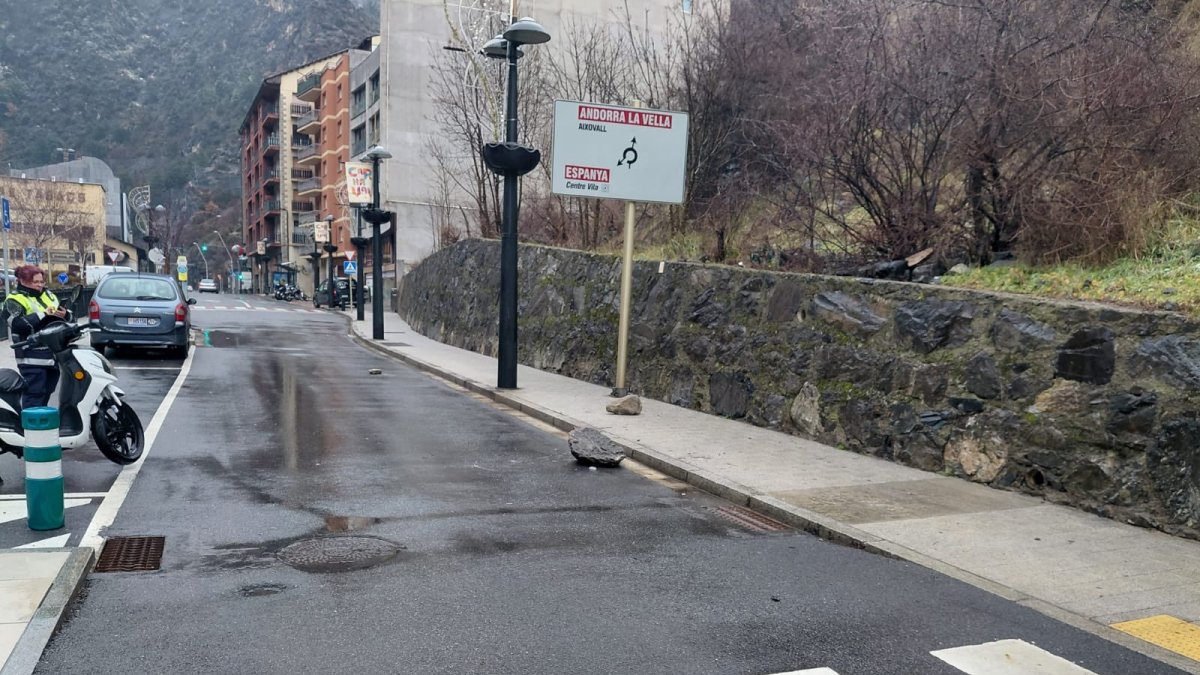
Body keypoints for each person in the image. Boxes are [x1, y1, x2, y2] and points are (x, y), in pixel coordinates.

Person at [5, 265, 72, 410]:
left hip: (53, 354)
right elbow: (17, 324)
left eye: (42, 282)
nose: (40, 285)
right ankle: (30, 430)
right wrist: (44, 314)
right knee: (34, 394)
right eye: (36, 282)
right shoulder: (14, 299)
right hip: (31, 355)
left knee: (47, 392)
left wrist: (65, 314)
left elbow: (64, 316)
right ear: (23, 280)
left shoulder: (48, 295)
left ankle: (41, 426)